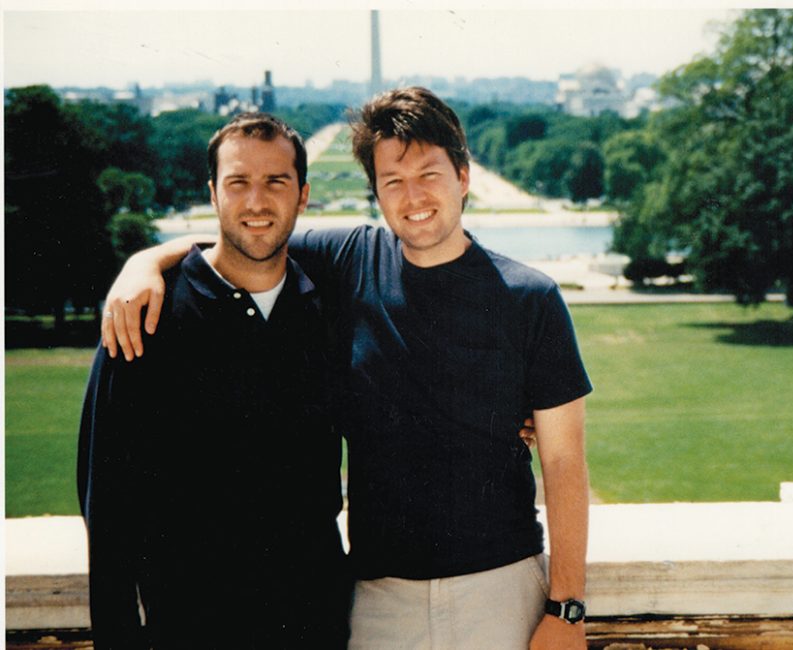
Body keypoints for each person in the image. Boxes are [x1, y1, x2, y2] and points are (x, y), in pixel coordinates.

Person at [102, 87, 592, 650]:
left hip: (501, 588)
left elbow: (563, 461)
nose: (413, 197)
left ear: (463, 176)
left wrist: (567, 608)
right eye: (393, 181)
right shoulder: (351, 259)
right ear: (376, 194)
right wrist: (144, 262)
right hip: (380, 602)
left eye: (429, 175)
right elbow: (252, 231)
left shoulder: (530, 297)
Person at [78, 112, 350, 649]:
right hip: (191, 628)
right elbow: (107, 508)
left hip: (313, 627)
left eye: (276, 182)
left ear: (303, 195)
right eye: (238, 182)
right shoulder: (146, 316)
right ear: (213, 193)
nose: (256, 202)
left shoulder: (330, 307)